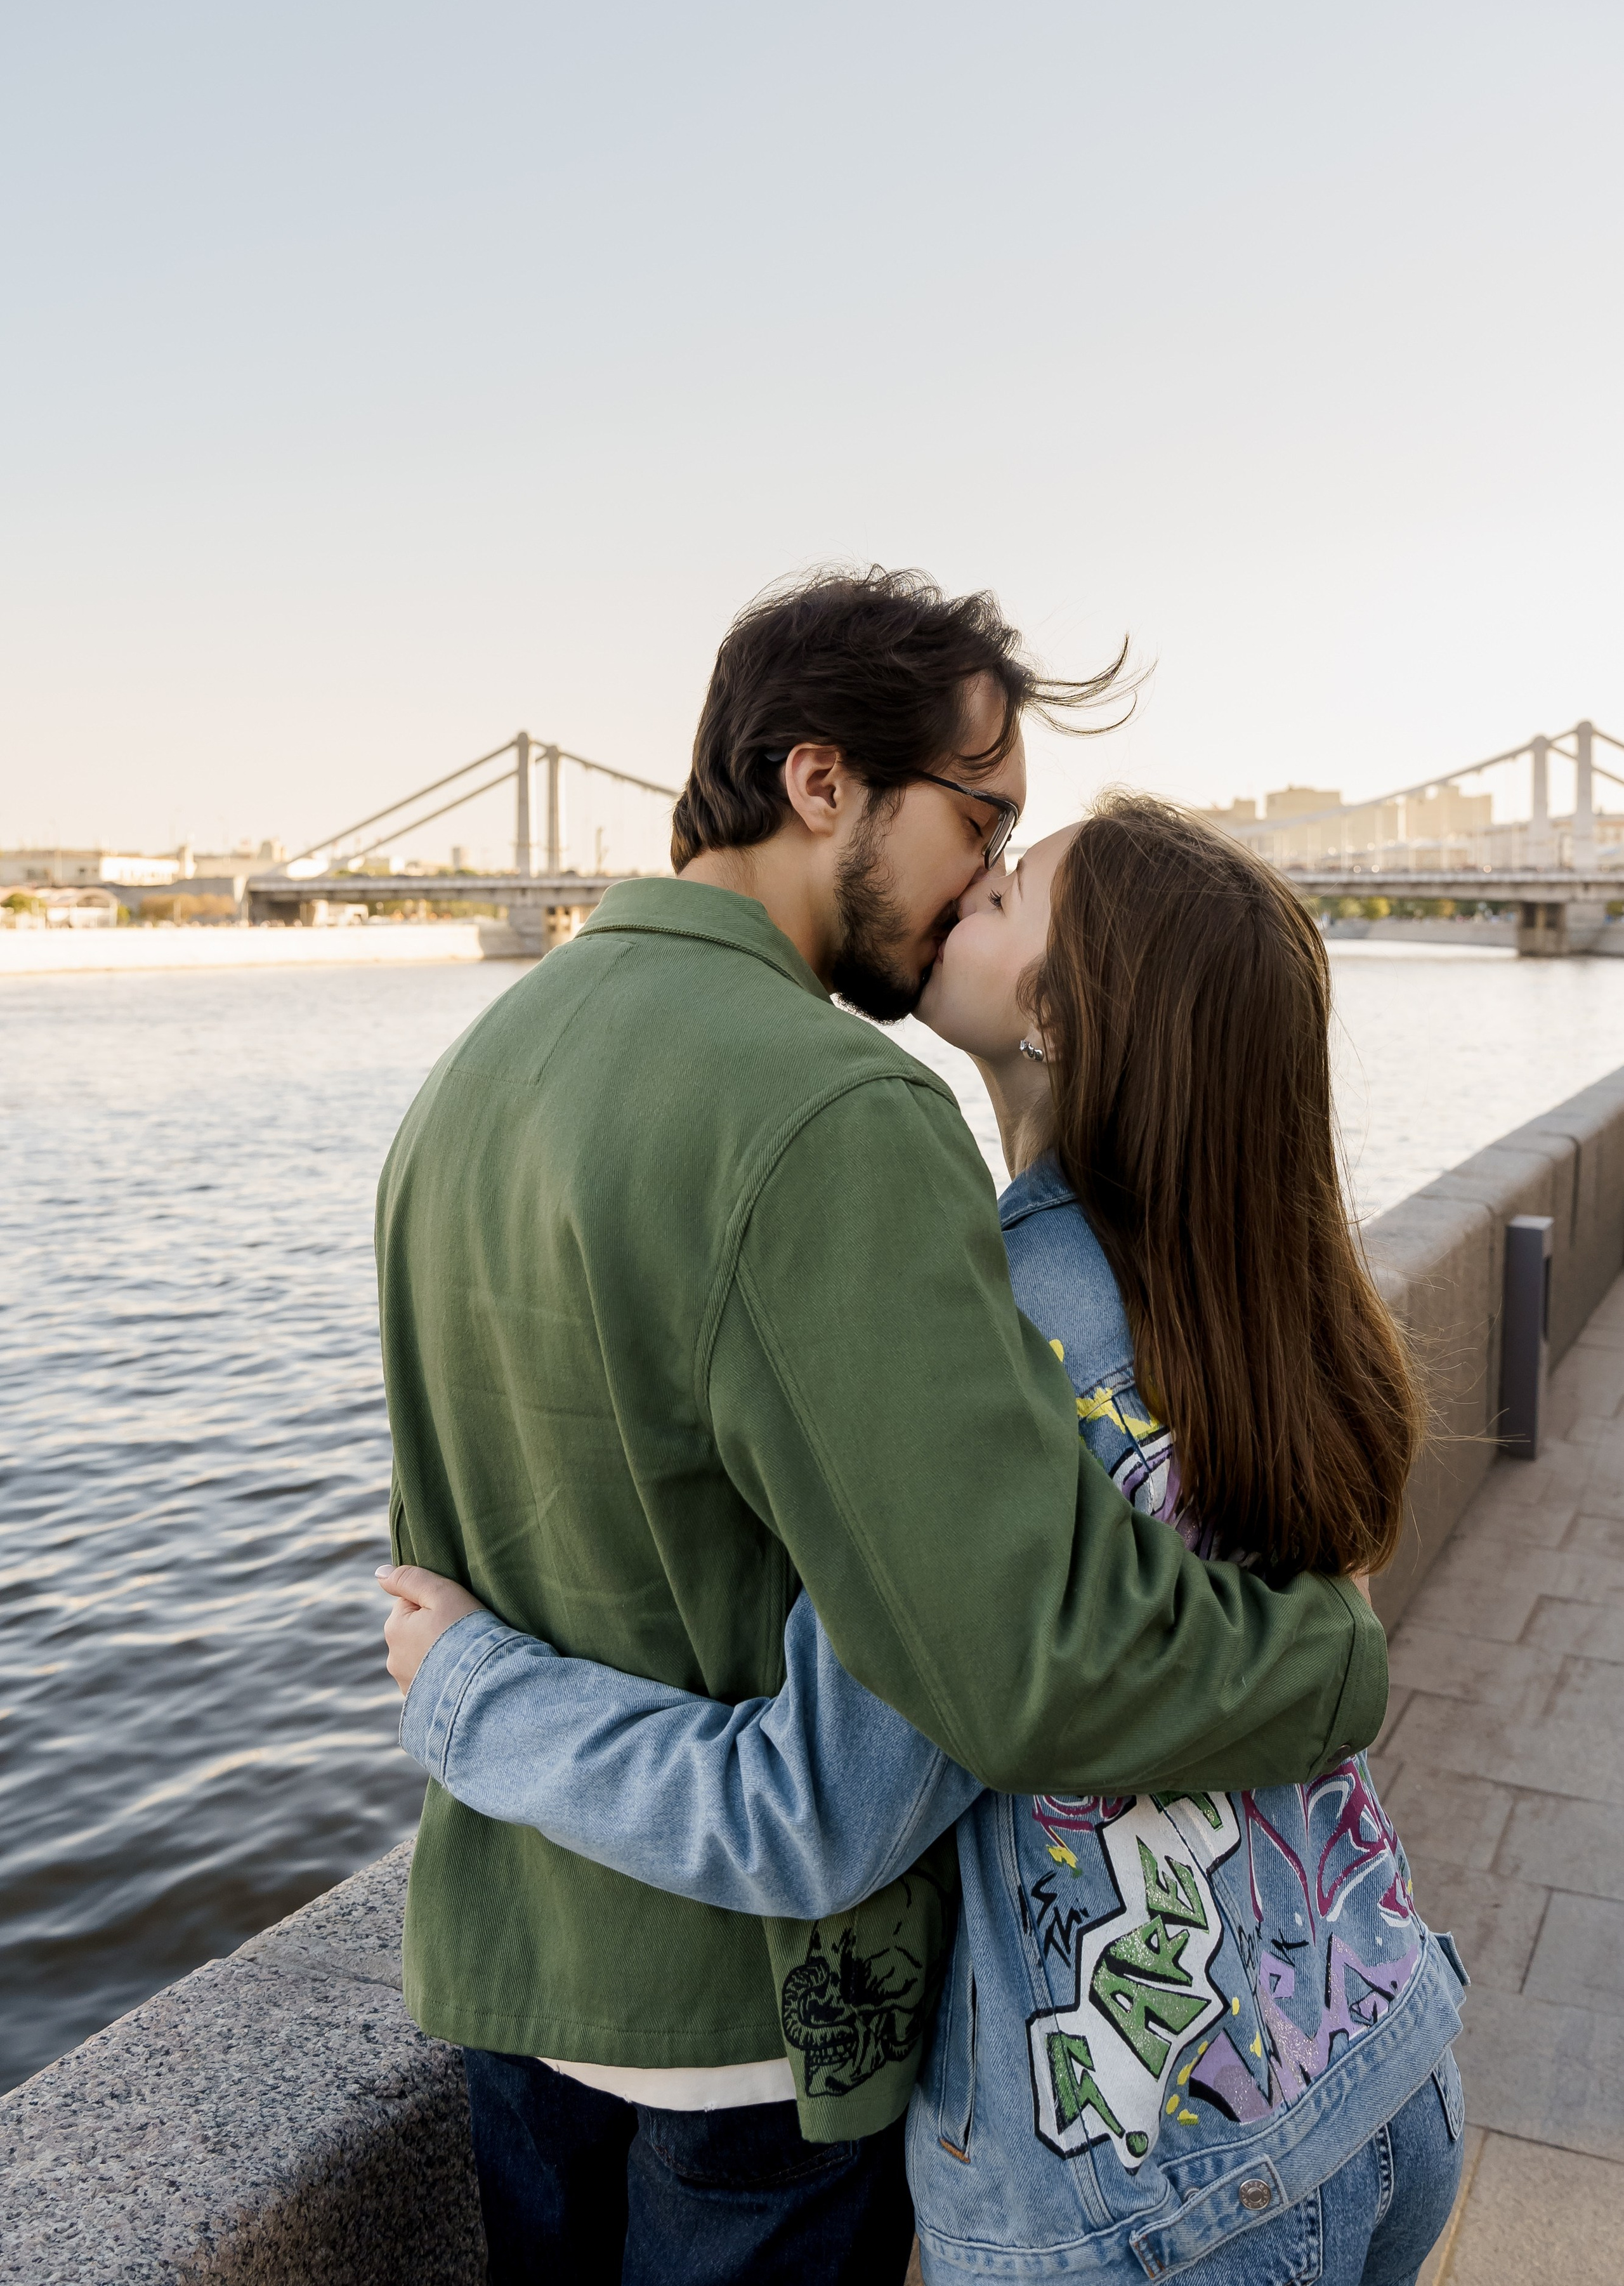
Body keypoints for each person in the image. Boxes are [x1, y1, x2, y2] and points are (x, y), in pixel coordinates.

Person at [375, 572, 1391, 2286]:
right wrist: (1331, 1662)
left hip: (515, 1983)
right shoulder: (840, 1110)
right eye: (980, 816)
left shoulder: (468, 1083)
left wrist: (468, 1695)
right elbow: (1011, 1666)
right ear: (821, 782)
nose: (982, 874)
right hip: (752, 2032)